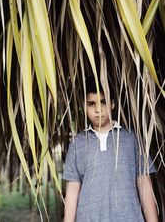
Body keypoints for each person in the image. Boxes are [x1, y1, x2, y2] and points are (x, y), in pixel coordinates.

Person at [63, 76, 158, 222]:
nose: (98, 110)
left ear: (112, 104)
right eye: (91, 104)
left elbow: (144, 184)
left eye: (103, 102)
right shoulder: (77, 144)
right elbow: (72, 190)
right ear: (84, 106)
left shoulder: (131, 139)